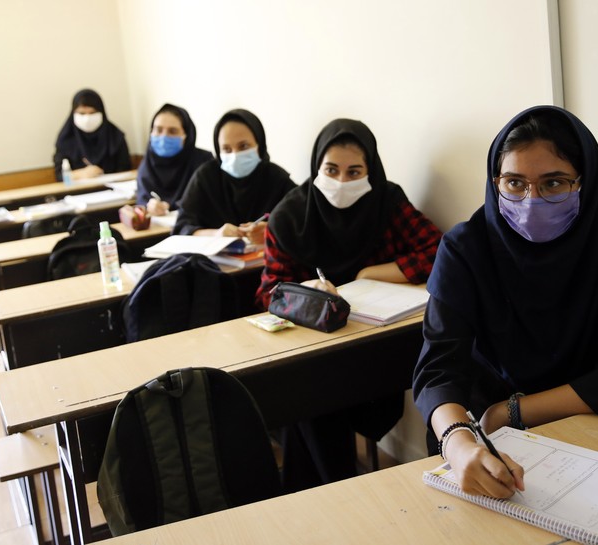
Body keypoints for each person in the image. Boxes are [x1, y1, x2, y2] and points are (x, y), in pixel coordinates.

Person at [412, 105, 598, 500]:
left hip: (590, 424)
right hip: (481, 435)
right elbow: (438, 372)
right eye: (514, 183)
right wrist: (459, 445)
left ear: (585, 181)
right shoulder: (465, 248)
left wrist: (511, 411)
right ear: (496, 182)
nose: (531, 202)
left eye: (554, 183)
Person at [256, 118, 443, 492]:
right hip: (312, 348)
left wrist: (373, 272)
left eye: (354, 171)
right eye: (331, 170)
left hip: (373, 341)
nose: (342, 181)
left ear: (370, 169)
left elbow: (440, 249)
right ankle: (338, 492)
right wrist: (308, 288)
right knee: (311, 394)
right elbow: (268, 292)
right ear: (316, 168)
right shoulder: (290, 215)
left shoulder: (387, 201)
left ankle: (329, 493)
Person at [173, 109, 295, 244]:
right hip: (210, 263)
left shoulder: (277, 179)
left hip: (263, 263)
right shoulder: (206, 177)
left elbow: (302, 224)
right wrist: (216, 234)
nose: (235, 155)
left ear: (259, 144)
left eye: (243, 146)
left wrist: (272, 231)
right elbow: (181, 228)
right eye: (226, 149)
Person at [136, 104, 213, 216]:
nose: (164, 137)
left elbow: (208, 202)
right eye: (158, 130)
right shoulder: (147, 164)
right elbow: (142, 201)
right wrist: (149, 207)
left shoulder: (204, 162)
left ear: (187, 135)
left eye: (173, 131)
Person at [53, 89, 131, 181]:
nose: (87, 118)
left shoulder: (116, 137)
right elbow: (59, 176)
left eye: (92, 113)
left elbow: (126, 168)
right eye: (81, 113)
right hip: (78, 192)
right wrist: (81, 174)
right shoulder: (65, 139)